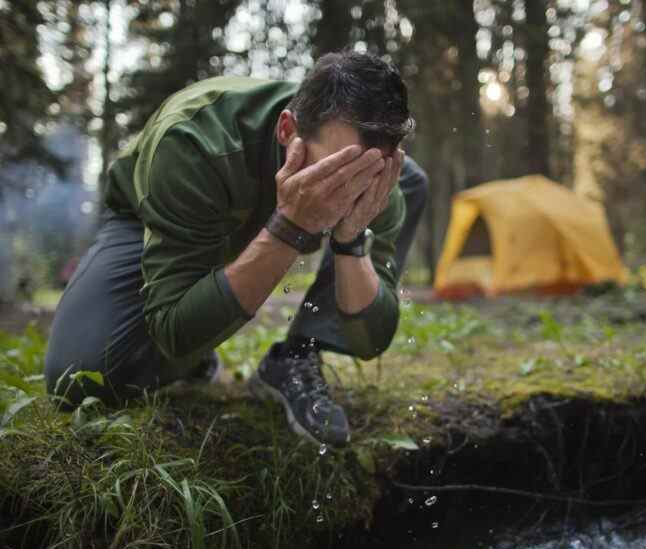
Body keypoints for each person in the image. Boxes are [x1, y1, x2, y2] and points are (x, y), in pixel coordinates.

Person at [44, 52, 428, 448]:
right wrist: (290, 228)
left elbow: (370, 340)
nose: (350, 191)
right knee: (78, 376)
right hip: (159, 214)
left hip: (251, 207)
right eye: (334, 171)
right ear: (287, 131)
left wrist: (350, 240)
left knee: (412, 182)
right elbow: (174, 330)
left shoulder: (379, 179)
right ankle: (196, 355)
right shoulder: (192, 143)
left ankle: (295, 358)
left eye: (367, 174)